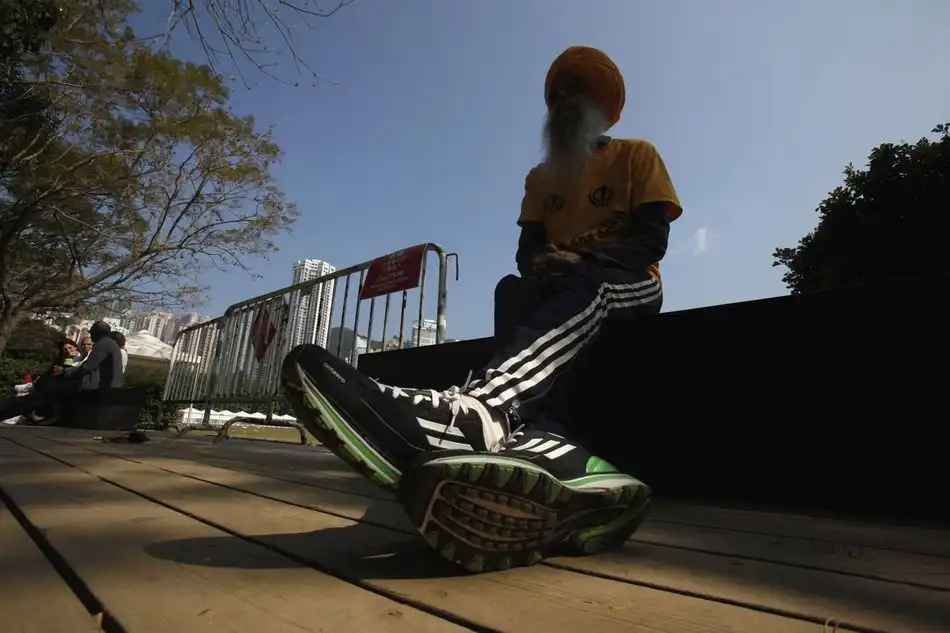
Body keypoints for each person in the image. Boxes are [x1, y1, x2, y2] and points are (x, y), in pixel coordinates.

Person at [281, 46, 681, 572]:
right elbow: (526, 251)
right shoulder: (540, 179)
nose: (562, 100)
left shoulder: (637, 155)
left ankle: (482, 412)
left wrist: (582, 260)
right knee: (512, 290)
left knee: (592, 284)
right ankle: (542, 440)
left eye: (576, 91)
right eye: (555, 94)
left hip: (628, 285)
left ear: (604, 110)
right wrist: (542, 266)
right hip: (561, 292)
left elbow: (651, 242)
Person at [0, 321, 124, 421]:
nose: (90, 337)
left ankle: (9, 410)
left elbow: (86, 367)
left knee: (45, 392)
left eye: (92, 334)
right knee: (45, 390)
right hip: (99, 387)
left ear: (97, 333)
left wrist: (65, 372)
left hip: (93, 388)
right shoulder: (110, 345)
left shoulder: (103, 344)